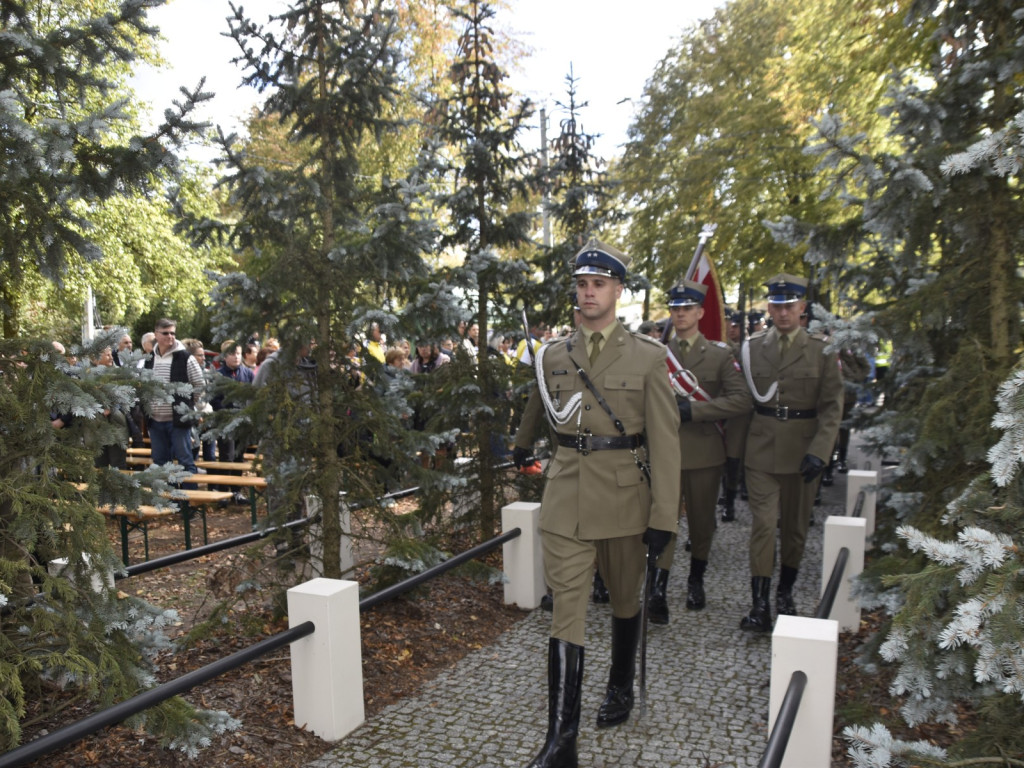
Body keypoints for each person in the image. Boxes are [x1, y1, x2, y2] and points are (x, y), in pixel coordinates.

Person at [512, 239, 680, 768]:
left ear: (617, 291)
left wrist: (664, 519)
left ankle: (622, 686)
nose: (588, 293)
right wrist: (521, 442)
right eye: (582, 285)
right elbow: (539, 402)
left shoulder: (649, 358)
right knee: (567, 611)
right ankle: (562, 742)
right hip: (565, 494)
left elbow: (666, 442)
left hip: (626, 499)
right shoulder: (554, 354)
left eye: (598, 285)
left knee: (626, 600)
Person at [738, 274, 843, 631]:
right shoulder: (752, 347)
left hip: (803, 451)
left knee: (795, 530)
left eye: (789, 306)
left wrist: (821, 452)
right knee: (764, 526)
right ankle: (759, 604)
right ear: (769, 307)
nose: (782, 313)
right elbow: (744, 402)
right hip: (762, 449)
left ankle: (785, 591)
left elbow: (832, 406)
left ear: (802, 308)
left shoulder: (821, 349)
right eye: (777, 305)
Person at [648, 279, 751, 623]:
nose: (680, 314)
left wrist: (696, 411)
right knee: (663, 518)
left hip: (705, 453)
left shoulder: (720, 354)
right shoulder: (657, 354)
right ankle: (658, 588)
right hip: (665, 451)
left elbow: (740, 399)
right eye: (675, 309)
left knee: (701, 522)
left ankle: (695, 579)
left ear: (700, 312)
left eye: (687, 309)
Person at [142, 319, 205, 476]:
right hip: (155, 421)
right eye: (166, 333)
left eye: (173, 333)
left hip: (178, 421)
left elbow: (199, 384)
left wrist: (188, 405)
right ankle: (165, 499)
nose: (170, 336)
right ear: (156, 334)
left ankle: (187, 499)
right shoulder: (150, 359)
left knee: (185, 462)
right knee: (160, 463)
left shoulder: (185, 358)